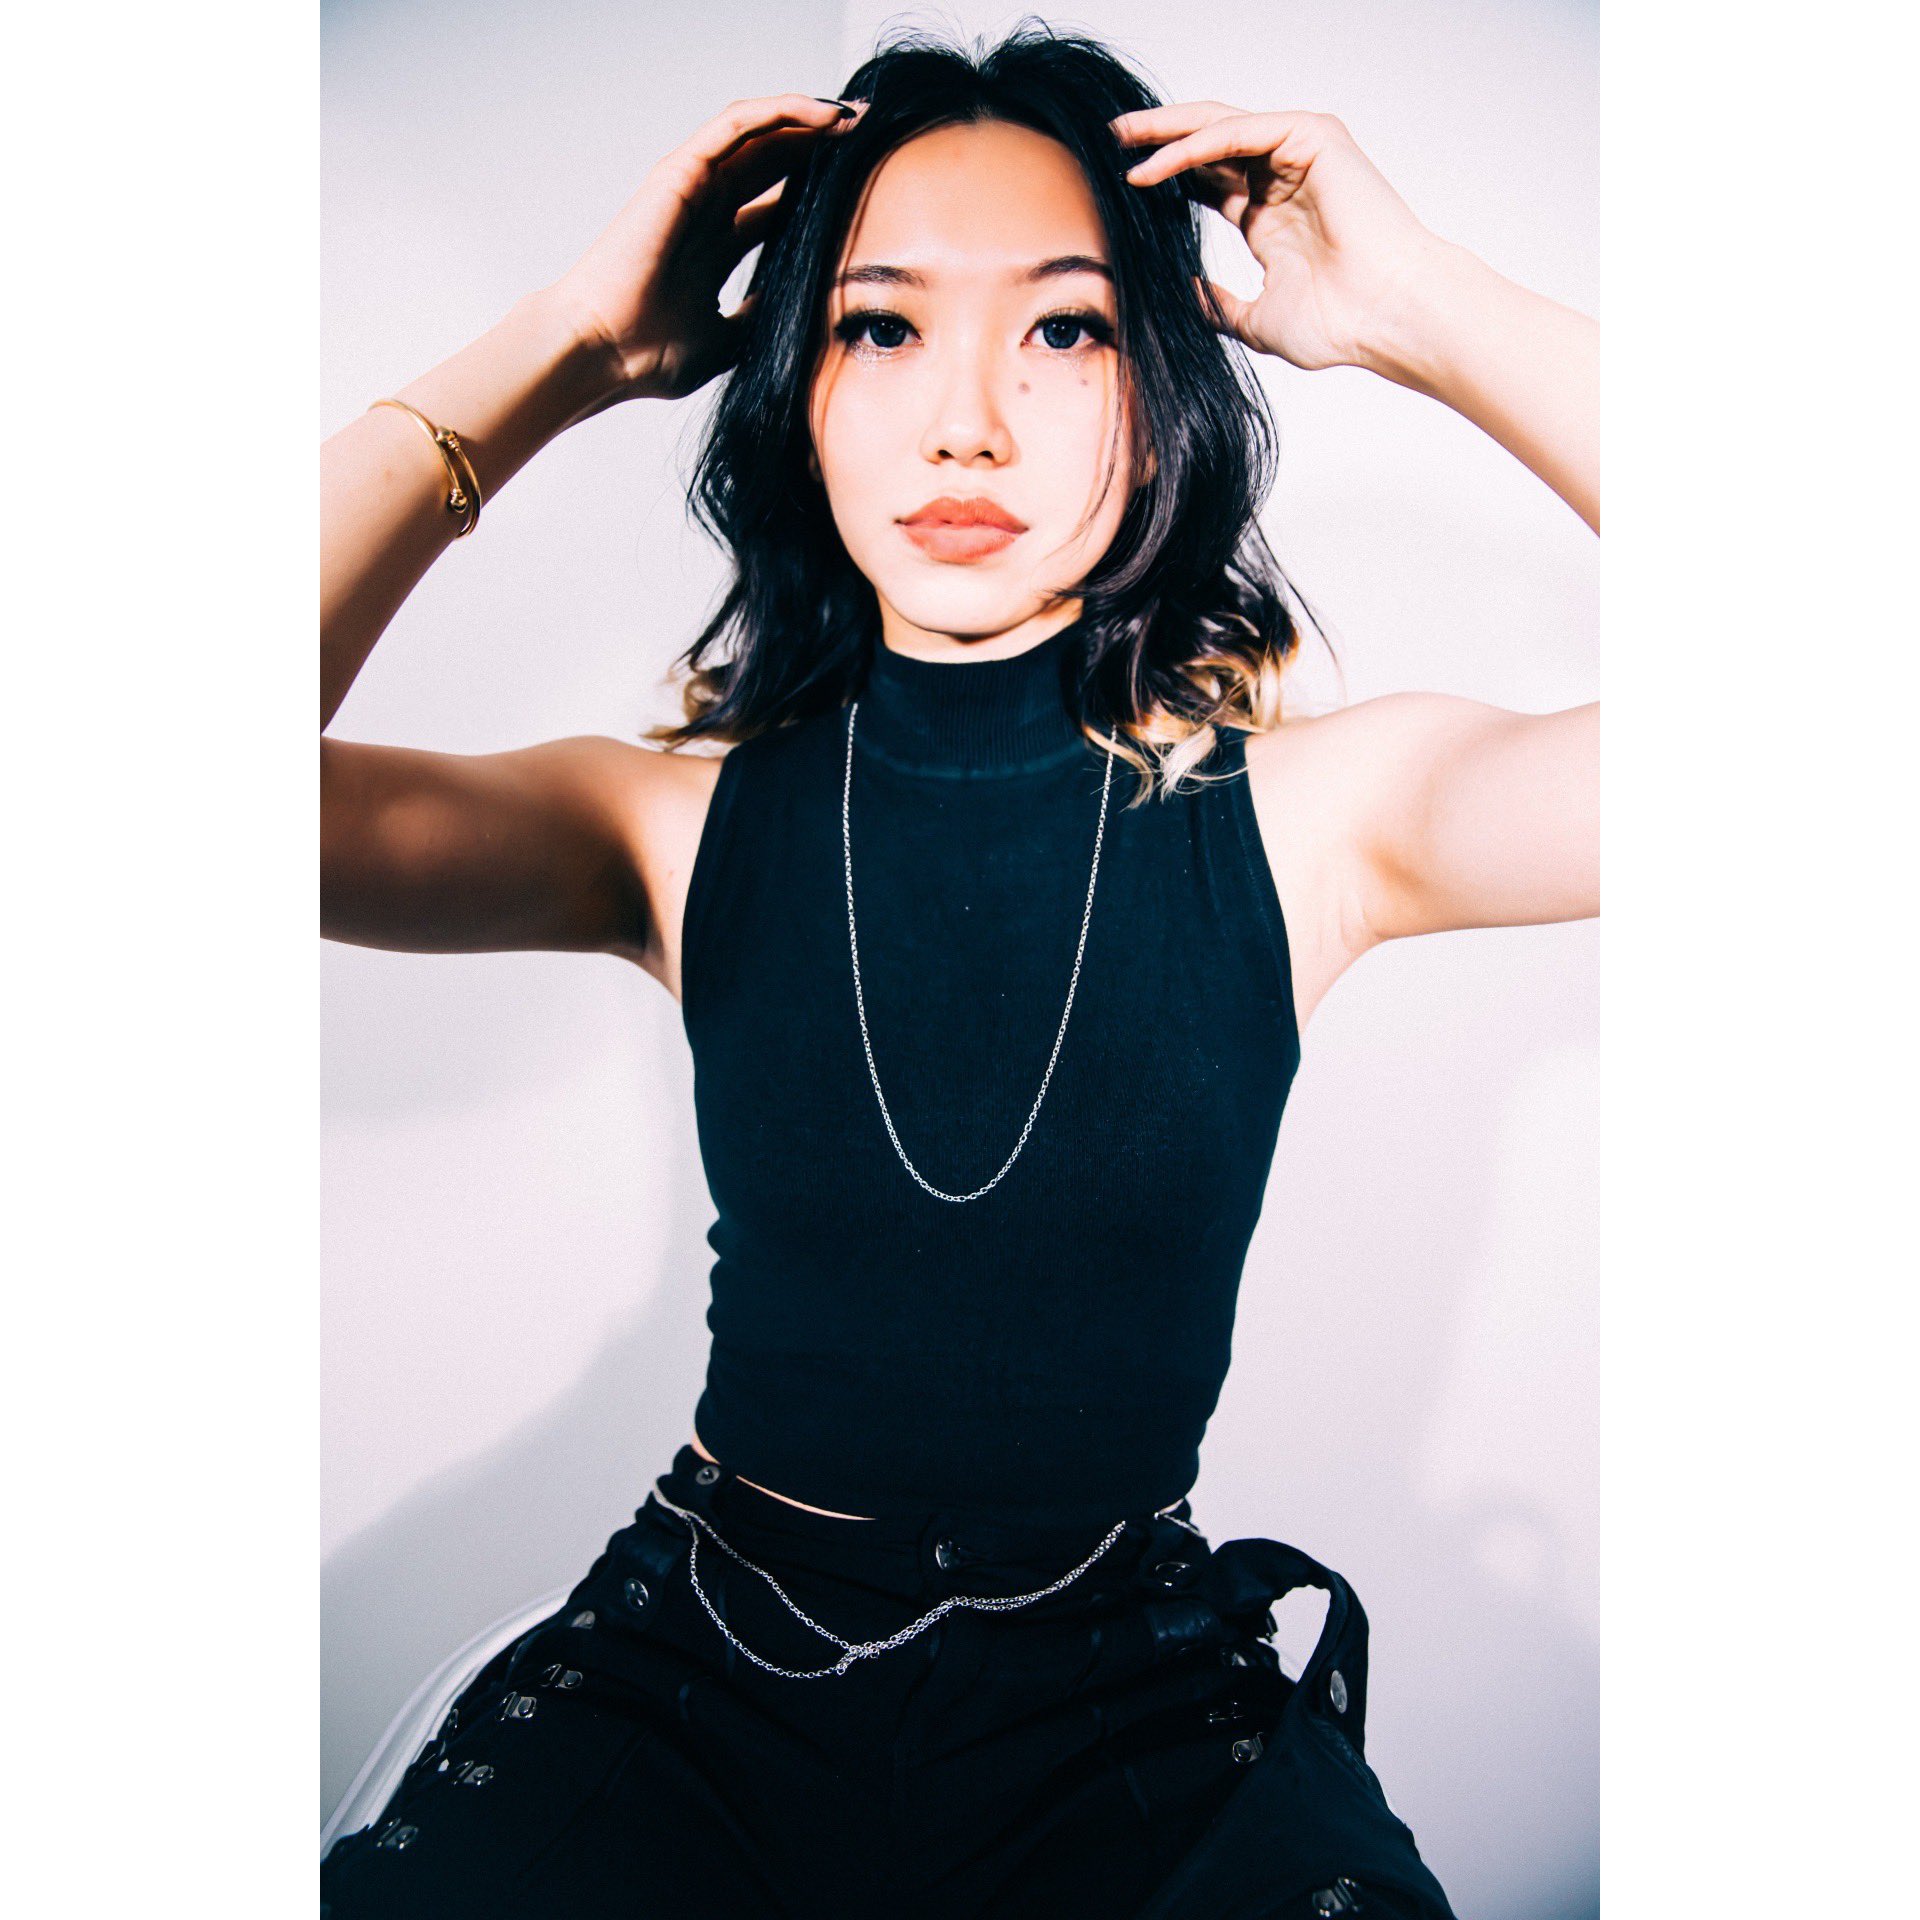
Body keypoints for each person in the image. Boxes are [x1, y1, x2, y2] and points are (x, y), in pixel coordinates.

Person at [319, 21, 1595, 1918]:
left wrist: (1419, 305)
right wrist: (567, 348)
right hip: (697, 1676)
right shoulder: (667, 826)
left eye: (1066, 328)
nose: (967, 422)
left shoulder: (1319, 817)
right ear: (796, 389)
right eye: (879, 327)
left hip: (1129, 1708)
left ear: (1163, 388)